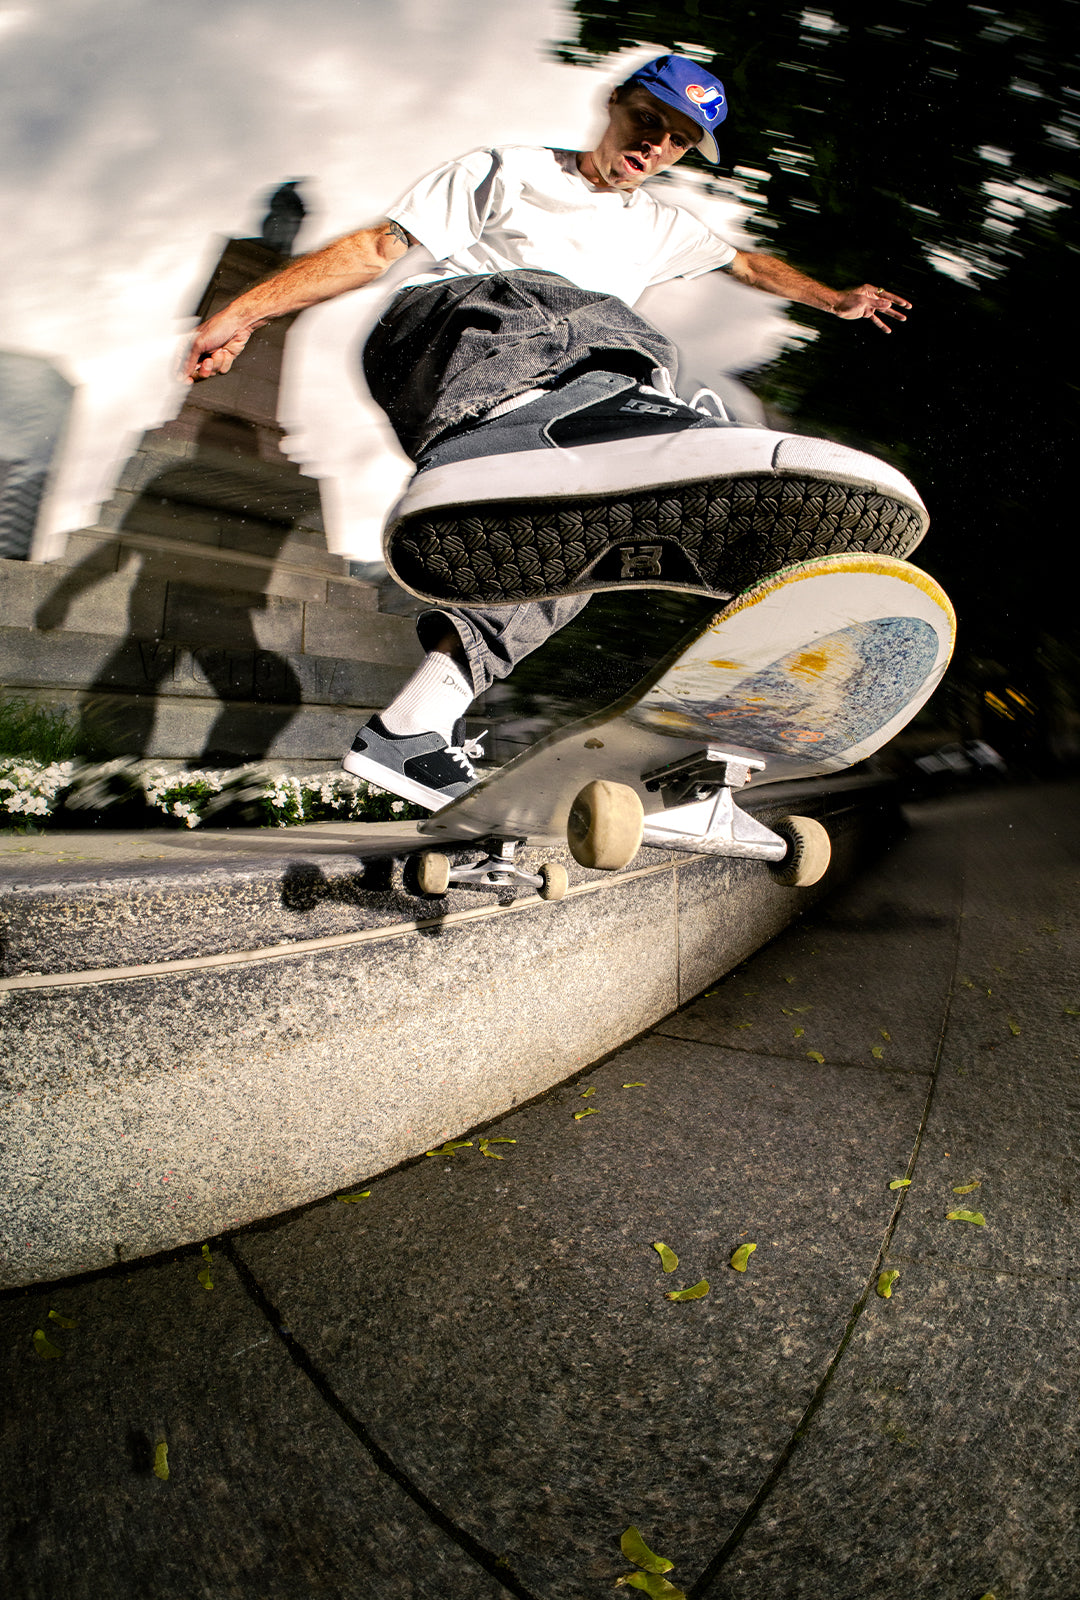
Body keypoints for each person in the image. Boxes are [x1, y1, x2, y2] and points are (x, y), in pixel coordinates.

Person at [184, 55, 920, 811]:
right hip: (448, 336)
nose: (653, 146)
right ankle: (607, 419)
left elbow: (751, 265)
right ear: (615, 102)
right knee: (597, 318)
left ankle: (414, 728)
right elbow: (377, 248)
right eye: (647, 121)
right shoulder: (510, 169)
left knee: (571, 551)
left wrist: (833, 300)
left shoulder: (664, 225)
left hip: (523, 394)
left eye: (676, 141)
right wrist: (246, 310)